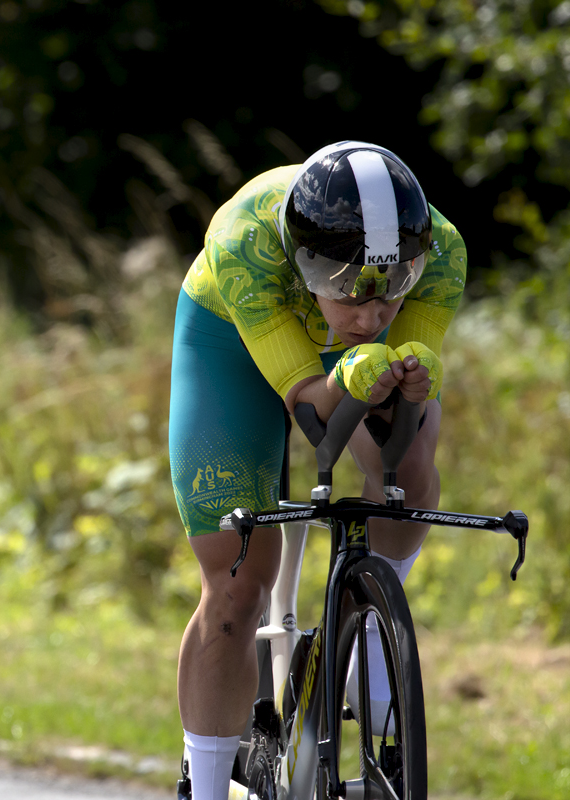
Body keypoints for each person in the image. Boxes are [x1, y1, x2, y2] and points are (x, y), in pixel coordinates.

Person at [167, 141, 464, 800]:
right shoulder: (247, 243)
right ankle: (209, 788)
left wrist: (412, 382)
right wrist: (353, 369)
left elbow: (399, 425)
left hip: (344, 359)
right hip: (234, 344)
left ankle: (368, 641)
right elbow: (309, 412)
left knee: (408, 465)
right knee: (238, 583)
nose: (371, 313)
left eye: (394, 288)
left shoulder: (442, 251)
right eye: (348, 289)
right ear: (304, 261)